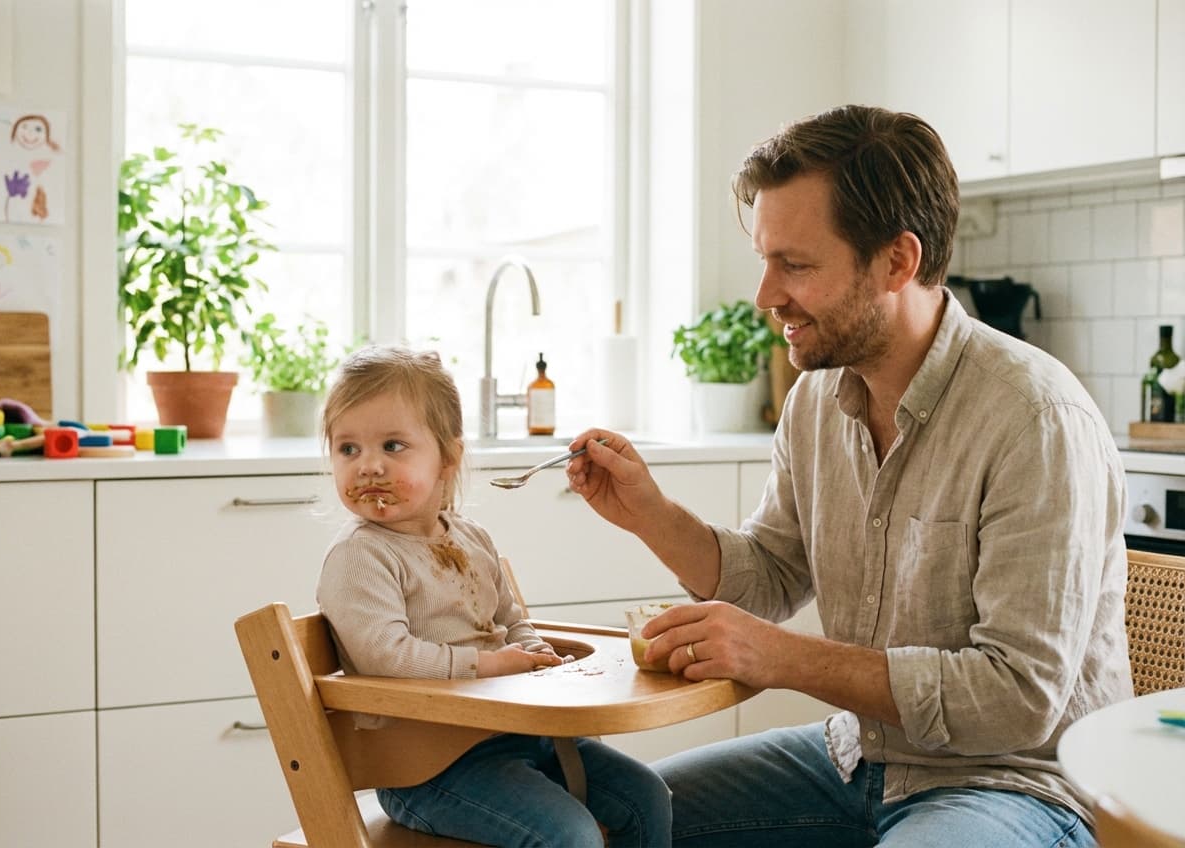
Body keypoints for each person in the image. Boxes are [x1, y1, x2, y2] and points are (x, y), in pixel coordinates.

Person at [565, 104, 1131, 847]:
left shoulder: (1034, 418)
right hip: (856, 758)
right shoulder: (815, 401)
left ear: (898, 261)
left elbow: (1017, 698)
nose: (766, 296)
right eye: (766, 261)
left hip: (1016, 782)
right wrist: (648, 513)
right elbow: (768, 577)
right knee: (609, 821)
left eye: (795, 265)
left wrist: (784, 659)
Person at [316, 344, 672, 848]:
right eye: (348, 449)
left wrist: (533, 654)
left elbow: (510, 621)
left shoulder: (471, 538)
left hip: (516, 736)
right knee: (570, 836)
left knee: (647, 797)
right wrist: (490, 667)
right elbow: (386, 657)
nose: (368, 466)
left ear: (447, 458)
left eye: (392, 446)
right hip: (426, 768)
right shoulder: (361, 556)